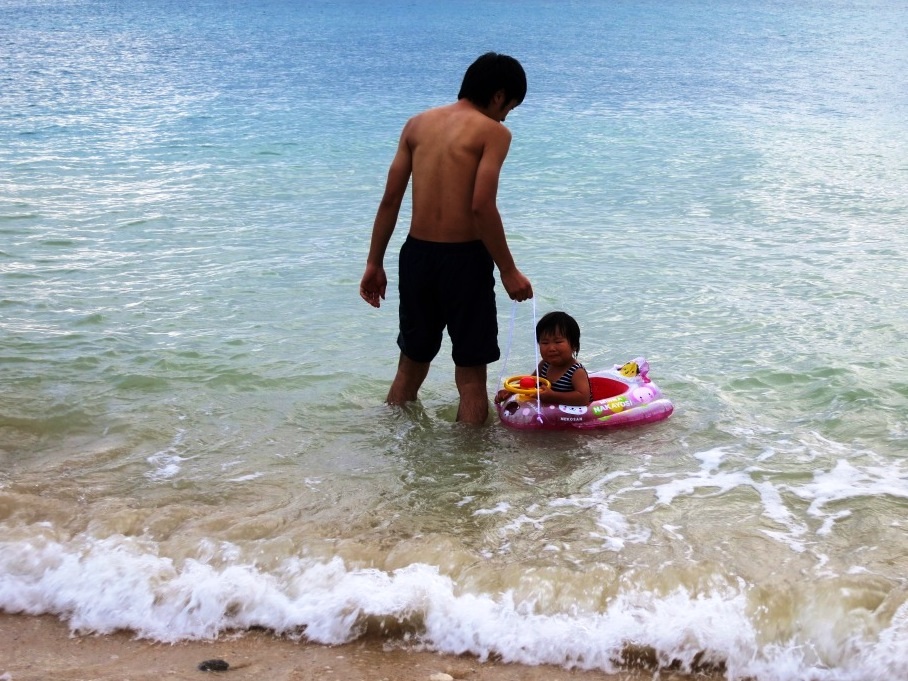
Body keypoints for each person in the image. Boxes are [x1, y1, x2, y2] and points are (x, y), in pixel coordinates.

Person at [359, 52, 534, 424]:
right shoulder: (494, 133)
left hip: (417, 256)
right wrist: (508, 270)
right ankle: (470, 459)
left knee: (410, 366)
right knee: (471, 378)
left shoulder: (417, 125)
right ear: (499, 96)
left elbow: (390, 199)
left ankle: (391, 444)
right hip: (465, 260)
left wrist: (374, 262)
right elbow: (481, 206)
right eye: (510, 108)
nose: (506, 117)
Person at [495, 311, 592, 407]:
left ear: (574, 345)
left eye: (558, 342)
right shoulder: (544, 365)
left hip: (572, 414)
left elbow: (583, 398)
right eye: (545, 343)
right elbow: (529, 382)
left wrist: (553, 396)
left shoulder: (576, 371)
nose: (551, 348)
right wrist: (510, 391)